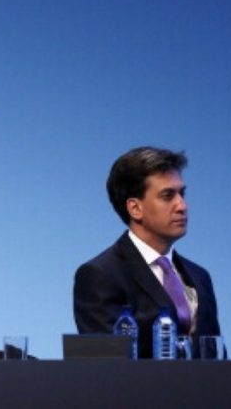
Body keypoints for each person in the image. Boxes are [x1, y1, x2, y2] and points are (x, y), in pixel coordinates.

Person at [74, 147, 222, 358]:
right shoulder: (100, 275)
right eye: (167, 196)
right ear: (135, 208)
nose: (182, 206)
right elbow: (107, 368)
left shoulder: (200, 276)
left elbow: (216, 357)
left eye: (182, 193)